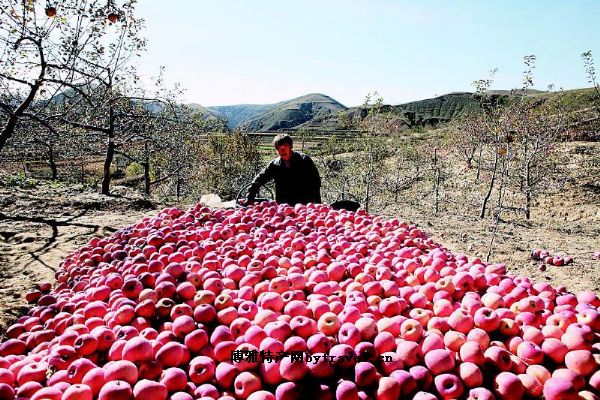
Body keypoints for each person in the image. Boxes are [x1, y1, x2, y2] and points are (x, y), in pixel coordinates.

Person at [246, 134, 321, 205]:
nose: (282, 151)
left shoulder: (304, 160)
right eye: (279, 148)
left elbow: (315, 182)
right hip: (283, 207)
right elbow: (260, 178)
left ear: (290, 147)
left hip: (303, 206)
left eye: (285, 148)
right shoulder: (275, 164)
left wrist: (317, 203)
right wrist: (250, 194)